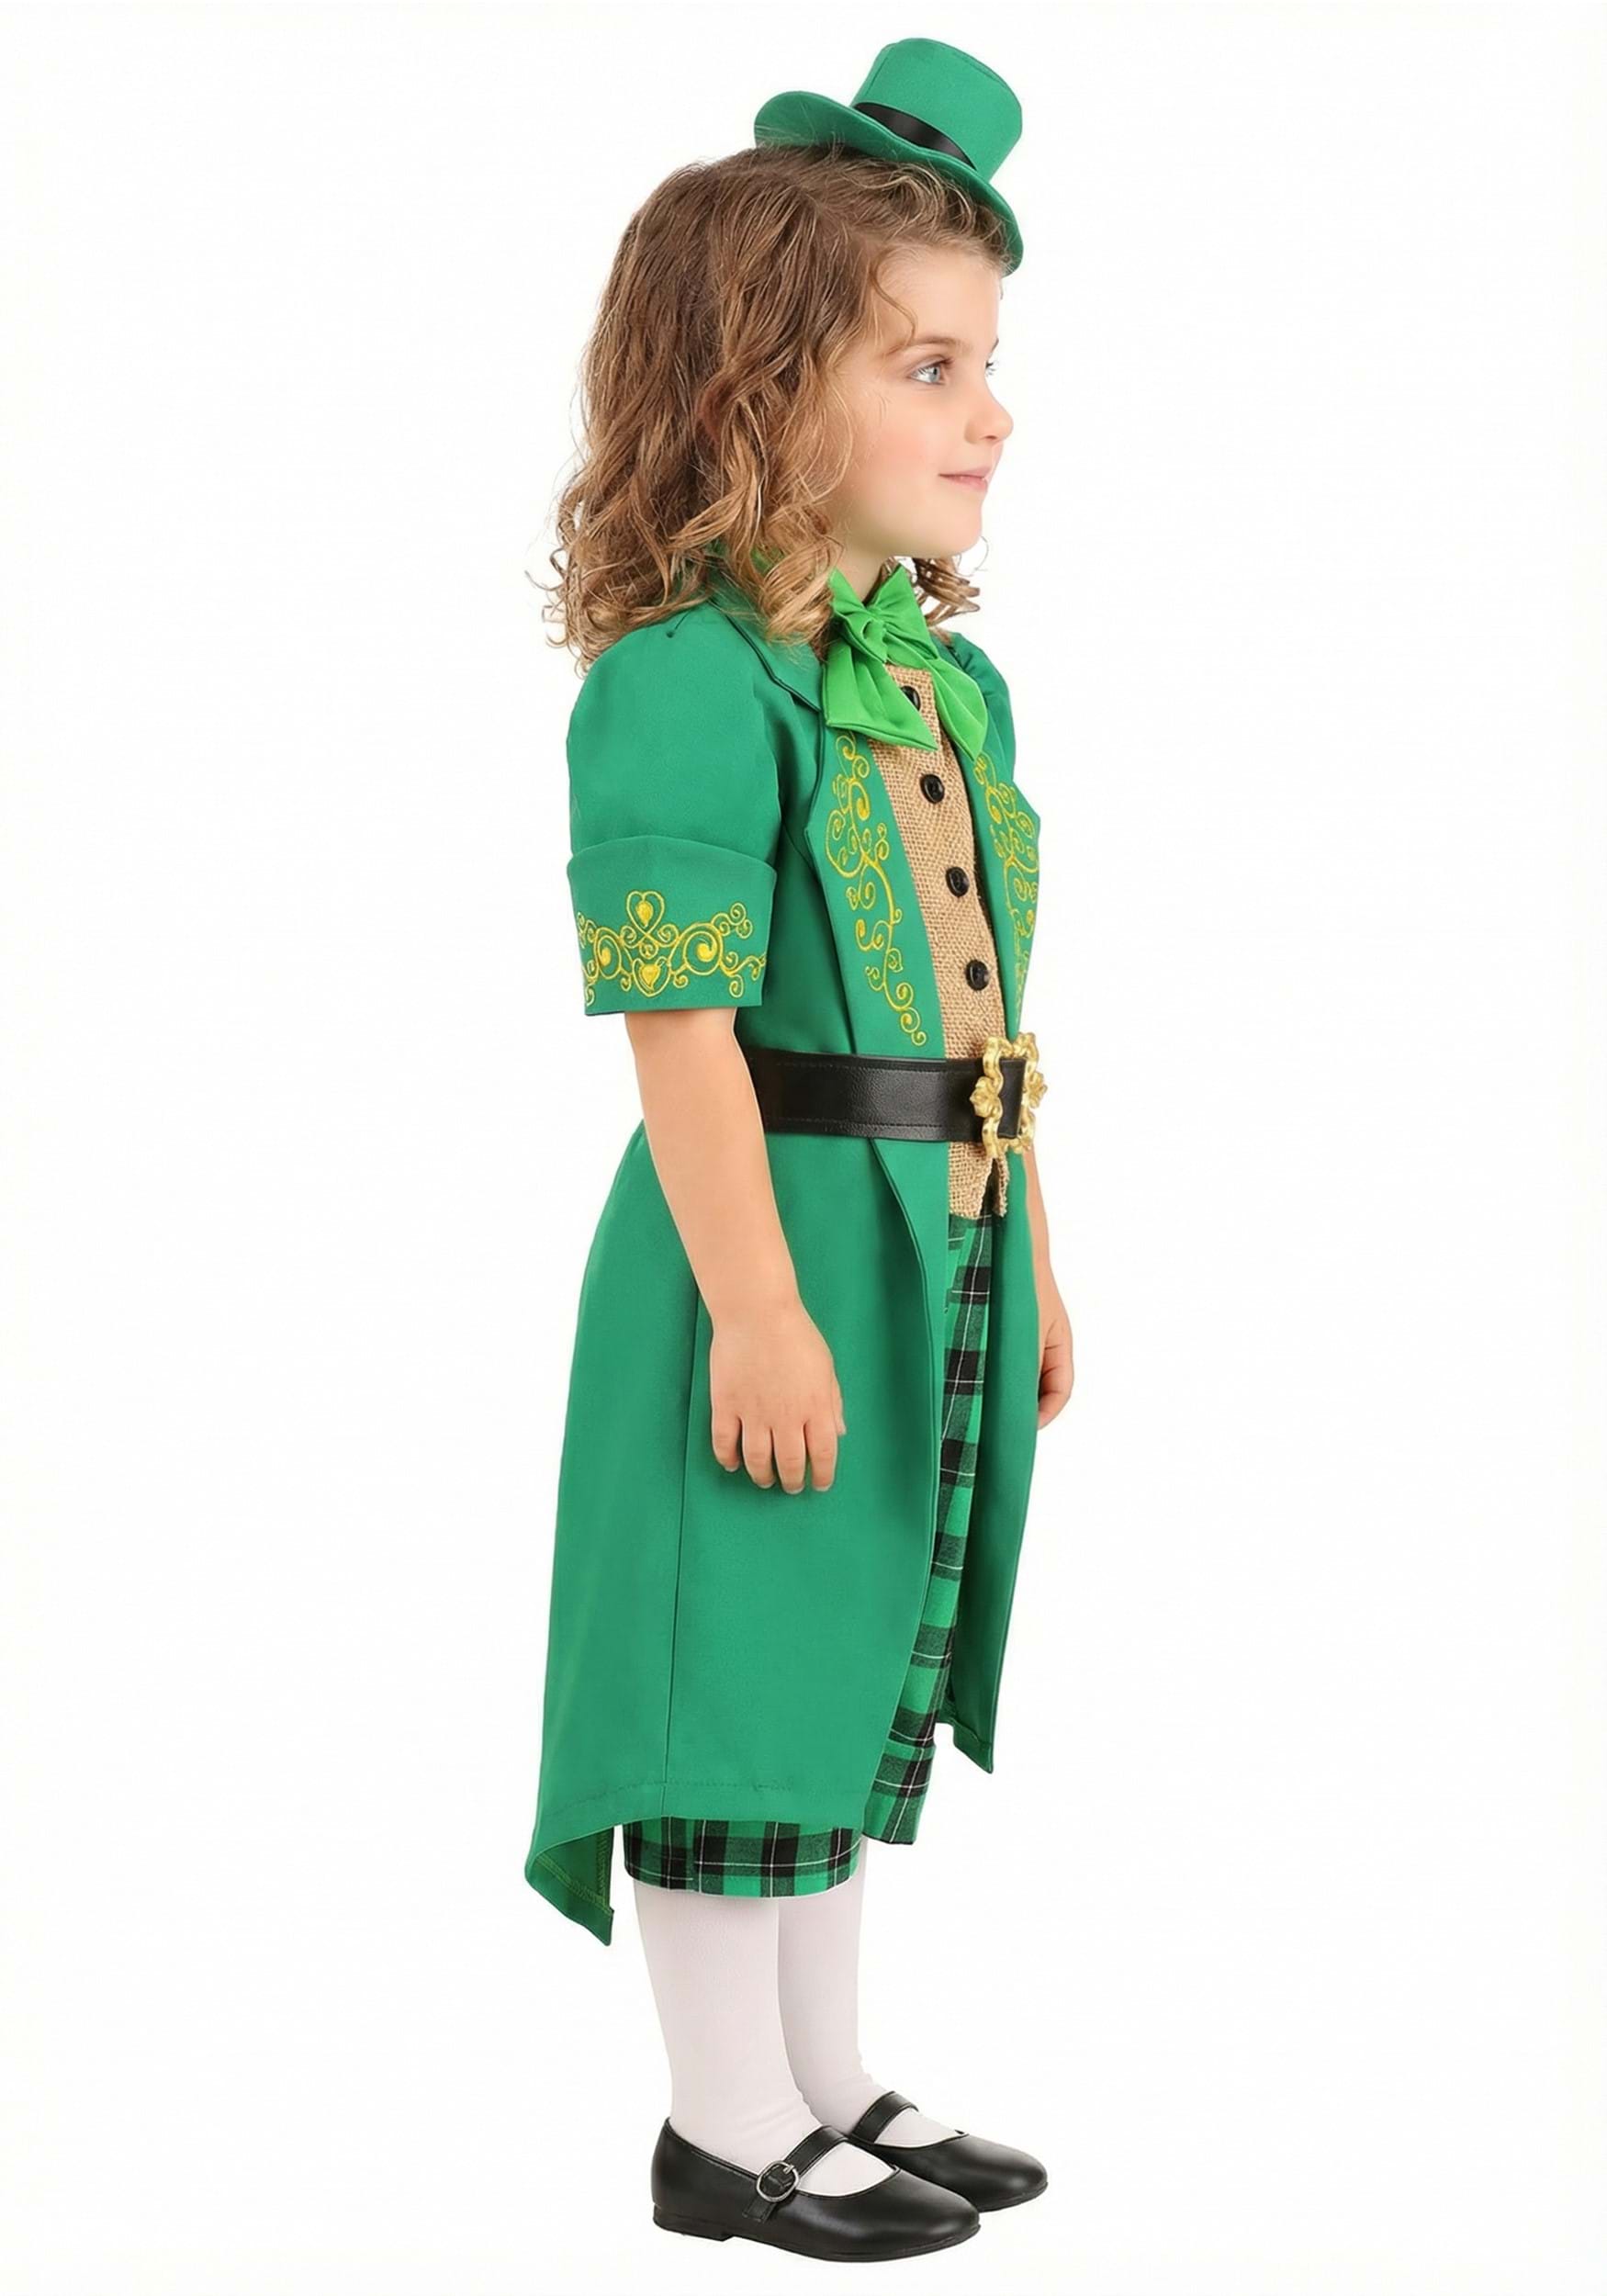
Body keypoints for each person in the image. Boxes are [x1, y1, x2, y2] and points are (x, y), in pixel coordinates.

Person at [523, 39, 1074, 2264]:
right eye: (925, 364)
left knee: (845, 1652)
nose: (987, 411)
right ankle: (722, 2120)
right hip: (764, 1235)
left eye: (987, 361)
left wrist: (1030, 1247)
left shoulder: (938, 685)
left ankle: (826, 2075)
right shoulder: (687, 680)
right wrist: (752, 1304)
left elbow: (981, 1014)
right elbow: (678, 1035)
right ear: (754, 391)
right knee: (736, 1660)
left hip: (930, 1223)